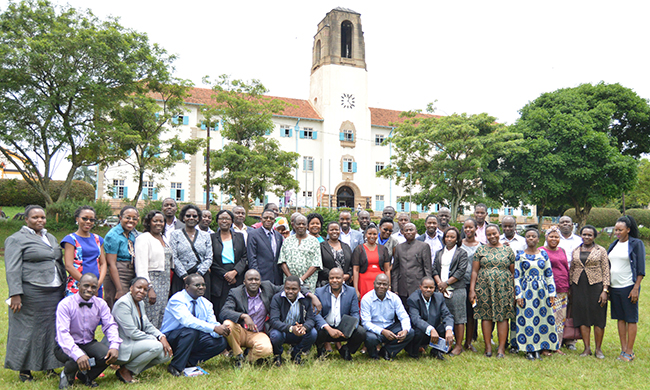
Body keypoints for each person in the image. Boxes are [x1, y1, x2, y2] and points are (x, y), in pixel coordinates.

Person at [5, 205, 66, 382]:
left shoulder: (50, 237)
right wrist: (15, 293)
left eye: (43, 217)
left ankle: (49, 366)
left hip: (54, 291)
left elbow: (58, 261)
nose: (40, 220)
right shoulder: (16, 239)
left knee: (50, 329)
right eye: (35, 217)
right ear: (26, 219)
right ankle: (24, 369)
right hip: (31, 291)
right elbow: (12, 268)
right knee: (27, 330)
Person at [219, 269, 320, 366]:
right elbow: (224, 312)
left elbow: (290, 287)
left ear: (260, 281)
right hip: (241, 330)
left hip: (258, 333)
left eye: (256, 279)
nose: (253, 282)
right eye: (250, 279)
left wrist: (311, 295)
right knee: (227, 324)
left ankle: (246, 359)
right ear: (244, 282)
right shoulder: (235, 293)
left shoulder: (267, 287)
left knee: (266, 350)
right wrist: (244, 316)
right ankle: (238, 355)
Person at [54, 273, 121, 388]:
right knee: (78, 357)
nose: (89, 289)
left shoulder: (100, 304)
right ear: (79, 285)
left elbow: (110, 325)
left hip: (88, 342)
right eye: (86, 286)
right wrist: (79, 355)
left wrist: (114, 345)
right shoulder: (65, 304)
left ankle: (86, 375)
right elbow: (63, 333)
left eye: (93, 287)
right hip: (64, 345)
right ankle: (66, 375)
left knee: (107, 355)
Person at [160, 274, 230, 376]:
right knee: (191, 332)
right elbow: (188, 321)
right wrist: (214, 328)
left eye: (203, 285)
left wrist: (221, 331)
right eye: (197, 285)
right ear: (187, 287)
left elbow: (212, 323)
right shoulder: (177, 299)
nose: (201, 287)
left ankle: (189, 362)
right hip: (171, 339)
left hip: (192, 337)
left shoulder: (206, 303)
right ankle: (175, 366)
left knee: (220, 342)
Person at [112, 277, 172, 383]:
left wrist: (161, 336)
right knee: (157, 347)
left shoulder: (140, 302)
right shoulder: (123, 304)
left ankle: (130, 369)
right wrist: (156, 340)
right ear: (131, 288)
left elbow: (147, 325)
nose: (142, 291)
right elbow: (132, 333)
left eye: (145, 289)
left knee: (165, 355)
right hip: (121, 346)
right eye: (139, 288)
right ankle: (125, 371)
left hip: (134, 343)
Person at [511, 228, 558, 360]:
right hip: (526, 291)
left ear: (538, 239)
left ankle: (538, 348)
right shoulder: (520, 255)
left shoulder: (543, 254)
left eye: (533, 236)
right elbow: (517, 276)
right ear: (525, 239)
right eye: (528, 236)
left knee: (541, 319)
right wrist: (519, 295)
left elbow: (549, 274)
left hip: (542, 291)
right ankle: (528, 349)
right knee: (527, 320)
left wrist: (552, 293)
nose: (531, 238)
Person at [469, 224, 515, 358]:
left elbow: (513, 272)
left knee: (503, 316)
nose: (492, 236)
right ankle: (488, 347)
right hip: (484, 287)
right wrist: (472, 290)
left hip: (504, 287)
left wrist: (513, 290)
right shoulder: (480, 250)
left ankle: (501, 348)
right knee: (486, 316)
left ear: (499, 233)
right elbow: (474, 271)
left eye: (494, 233)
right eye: (489, 234)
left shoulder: (508, 250)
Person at [607, 216, 645, 362]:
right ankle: (623, 350)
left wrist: (636, 287)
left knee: (630, 319)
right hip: (615, 287)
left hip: (628, 286)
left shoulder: (636, 244)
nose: (617, 232)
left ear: (628, 230)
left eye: (620, 230)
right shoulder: (613, 244)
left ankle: (630, 351)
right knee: (620, 319)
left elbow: (641, 268)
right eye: (615, 229)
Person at [570, 225, 609, 359]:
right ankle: (587, 348)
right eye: (584, 234)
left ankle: (598, 349)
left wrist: (605, 290)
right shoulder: (576, 250)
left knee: (598, 318)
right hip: (579, 287)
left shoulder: (601, 250)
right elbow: (572, 269)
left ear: (594, 236)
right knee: (582, 317)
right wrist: (570, 288)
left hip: (596, 287)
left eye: (589, 235)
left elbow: (606, 270)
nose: (586, 237)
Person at [545, 215, 582, 351]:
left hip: (570, 280)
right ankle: (549, 342)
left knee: (568, 313)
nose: (565, 224)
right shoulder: (544, 249)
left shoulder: (579, 240)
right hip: (550, 286)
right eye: (562, 222)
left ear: (572, 225)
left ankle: (569, 339)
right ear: (559, 225)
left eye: (568, 222)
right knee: (551, 314)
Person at [314, 268, 366, 360]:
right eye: (331, 278)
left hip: (343, 328)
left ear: (343, 279)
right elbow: (316, 314)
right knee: (316, 331)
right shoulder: (319, 292)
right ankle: (321, 350)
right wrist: (329, 329)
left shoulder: (351, 291)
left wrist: (350, 328)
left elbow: (355, 313)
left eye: (338, 278)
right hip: (326, 329)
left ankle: (346, 349)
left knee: (361, 332)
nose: (334, 280)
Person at [432, 227, 468, 355]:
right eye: (447, 236)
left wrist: (446, 283)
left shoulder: (461, 253)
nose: (449, 239)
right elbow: (434, 269)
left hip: (456, 289)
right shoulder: (439, 252)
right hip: (440, 290)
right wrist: (439, 284)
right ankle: (445, 344)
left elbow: (461, 271)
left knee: (458, 318)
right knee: (442, 317)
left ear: (457, 239)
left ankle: (458, 346)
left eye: (452, 237)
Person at [360, 274, 414, 360]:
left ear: (389, 286)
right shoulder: (366, 299)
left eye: (384, 284)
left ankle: (387, 351)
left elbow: (404, 317)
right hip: (374, 330)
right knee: (370, 338)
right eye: (379, 283)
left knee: (410, 332)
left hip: (391, 328)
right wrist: (382, 331)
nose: (381, 286)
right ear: (374, 284)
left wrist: (405, 330)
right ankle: (373, 354)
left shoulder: (394, 298)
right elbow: (366, 323)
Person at [134, 210, 172, 329]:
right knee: (150, 316)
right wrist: (148, 287)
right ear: (149, 222)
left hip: (164, 283)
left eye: (161, 221)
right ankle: (147, 343)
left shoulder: (164, 238)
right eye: (155, 221)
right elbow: (141, 266)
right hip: (152, 281)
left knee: (161, 314)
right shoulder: (143, 238)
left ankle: (159, 342)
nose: (158, 223)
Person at [269, 276, 317, 365]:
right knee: (275, 335)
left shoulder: (305, 300)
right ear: (284, 288)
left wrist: (304, 328)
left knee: (313, 333)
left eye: (294, 289)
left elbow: (311, 319)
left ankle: (296, 354)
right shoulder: (277, 298)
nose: (290, 291)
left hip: (299, 331)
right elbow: (274, 320)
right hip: (282, 331)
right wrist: (291, 328)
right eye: (287, 288)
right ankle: (277, 355)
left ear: (299, 289)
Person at [61, 206, 107, 298]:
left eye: (92, 220)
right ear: (77, 219)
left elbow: (103, 263)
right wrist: (86, 283)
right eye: (84, 218)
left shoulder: (98, 239)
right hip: (77, 284)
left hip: (96, 285)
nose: (88, 222)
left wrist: (98, 284)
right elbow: (69, 266)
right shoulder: (70, 239)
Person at [169, 204, 213, 297]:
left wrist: (198, 275)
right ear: (183, 218)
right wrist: (184, 276)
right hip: (181, 276)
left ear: (198, 218)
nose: (191, 218)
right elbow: (173, 256)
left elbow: (209, 257)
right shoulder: (175, 234)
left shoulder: (206, 235)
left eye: (194, 216)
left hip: (201, 276)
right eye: (188, 216)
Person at [405, 277, 454, 360]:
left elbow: (447, 315)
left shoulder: (439, 298)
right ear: (420, 287)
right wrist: (431, 329)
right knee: (418, 330)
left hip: (434, 331)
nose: (428, 290)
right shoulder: (413, 299)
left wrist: (449, 330)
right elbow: (416, 319)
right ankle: (414, 352)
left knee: (446, 327)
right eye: (425, 287)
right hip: (419, 332)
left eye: (431, 287)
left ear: (434, 288)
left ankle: (437, 351)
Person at [210, 209, 248, 315]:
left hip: (237, 276)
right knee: (219, 308)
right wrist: (225, 274)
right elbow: (211, 260)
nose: (224, 221)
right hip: (219, 277)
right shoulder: (212, 238)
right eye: (221, 218)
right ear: (217, 221)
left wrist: (235, 272)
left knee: (236, 306)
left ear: (232, 221)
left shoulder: (239, 237)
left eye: (227, 218)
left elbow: (244, 257)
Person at [104, 206, 139, 309]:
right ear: (120, 218)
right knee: (118, 306)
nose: (131, 221)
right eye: (127, 217)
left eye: (134, 218)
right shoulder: (113, 235)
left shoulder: (132, 234)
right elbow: (111, 264)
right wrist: (119, 289)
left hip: (130, 273)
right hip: (117, 274)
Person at [541, 225, 569, 355]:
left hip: (563, 289)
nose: (554, 239)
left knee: (560, 319)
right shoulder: (540, 251)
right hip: (547, 290)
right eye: (551, 236)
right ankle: (545, 346)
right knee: (547, 318)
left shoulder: (562, 250)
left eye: (556, 237)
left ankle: (556, 345)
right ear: (546, 237)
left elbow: (566, 268)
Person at [278, 214, 322, 292]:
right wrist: (291, 279)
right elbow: (282, 261)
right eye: (298, 224)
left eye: (303, 224)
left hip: (308, 282)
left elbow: (316, 264)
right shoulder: (287, 241)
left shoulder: (314, 241)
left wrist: (301, 279)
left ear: (307, 226)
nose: (301, 226)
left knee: (307, 303)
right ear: (294, 225)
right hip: (289, 283)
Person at [392, 223, 433, 306]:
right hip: (402, 287)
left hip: (418, 286)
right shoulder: (399, 247)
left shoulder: (423, 246)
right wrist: (395, 288)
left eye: (411, 230)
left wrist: (428, 287)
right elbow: (395, 269)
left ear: (416, 232)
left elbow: (427, 268)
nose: (408, 232)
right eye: (406, 230)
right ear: (402, 233)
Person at [352, 224, 391, 300]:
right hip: (364, 282)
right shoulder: (359, 249)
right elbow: (355, 270)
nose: (372, 236)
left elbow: (387, 269)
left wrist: (388, 286)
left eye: (374, 234)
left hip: (380, 283)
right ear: (365, 234)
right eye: (369, 234)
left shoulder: (383, 249)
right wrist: (356, 289)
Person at [461, 218, 481, 352]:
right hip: (459, 283)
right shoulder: (458, 244)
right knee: (459, 314)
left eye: (471, 227)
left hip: (476, 284)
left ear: (476, 229)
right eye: (466, 227)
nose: (468, 230)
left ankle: (468, 342)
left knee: (471, 314)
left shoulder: (481, 245)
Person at [248, 209, 284, 284]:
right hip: (261, 276)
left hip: (277, 278)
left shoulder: (278, 236)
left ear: (274, 221)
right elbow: (252, 258)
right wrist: (257, 277)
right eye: (265, 218)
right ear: (261, 219)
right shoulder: (253, 235)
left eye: (271, 218)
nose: (268, 220)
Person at [318, 221, 353, 287]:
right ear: (327, 232)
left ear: (340, 231)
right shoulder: (321, 246)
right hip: (326, 283)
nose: (334, 232)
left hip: (345, 283)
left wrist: (348, 275)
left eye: (336, 229)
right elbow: (320, 266)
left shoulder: (346, 246)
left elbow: (351, 264)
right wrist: (335, 276)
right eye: (332, 230)